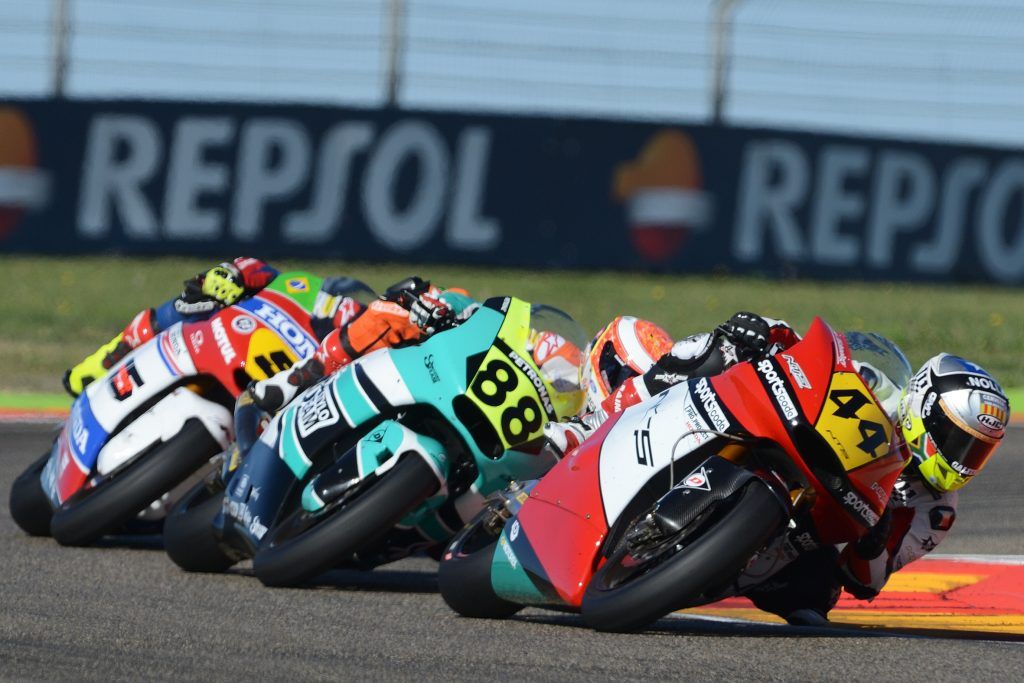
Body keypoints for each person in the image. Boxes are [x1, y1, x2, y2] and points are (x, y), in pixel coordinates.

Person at [545, 312, 1011, 626]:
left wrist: (872, 541)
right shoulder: (877, 385)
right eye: (960, 442)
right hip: (780, 440)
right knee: (707, 350)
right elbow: (811, 362)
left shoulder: (935, 512)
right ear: (925, 411)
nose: (963, 461)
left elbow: (866, 581)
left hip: (804, 530)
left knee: (816, 600)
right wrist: (768, 333)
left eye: (978, 452)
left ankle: (697, 567)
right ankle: (589, 428)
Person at [246, 276, 477, 413]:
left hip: (472, 396)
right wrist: (444, 303)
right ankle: (305, 375)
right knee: (395, 310)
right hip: (437, 363)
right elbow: (465, 300)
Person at [63, 257, 281, 396]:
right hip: (216, 332)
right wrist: (233, 275)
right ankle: (89, 376)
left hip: (257, 367)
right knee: (153, 325)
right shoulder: (292, 283)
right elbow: (254, 269)